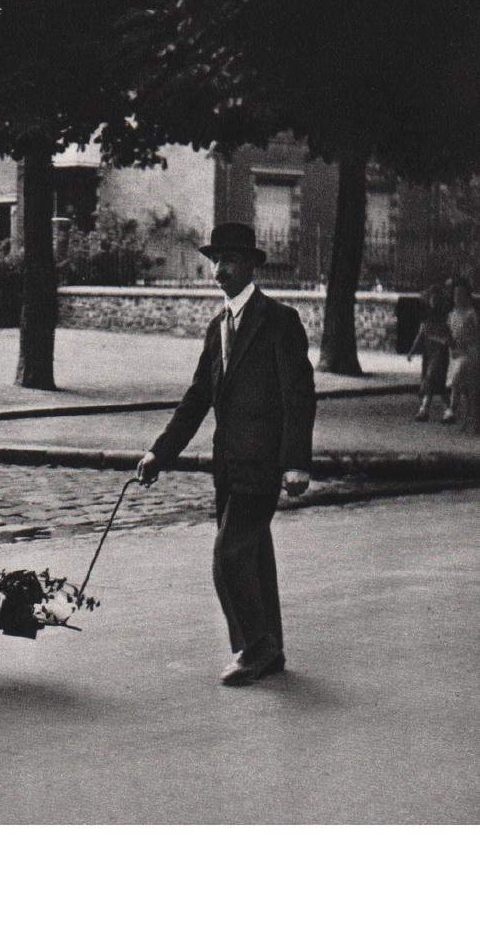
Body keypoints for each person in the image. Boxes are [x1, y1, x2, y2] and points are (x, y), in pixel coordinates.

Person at [137, 222, 316, 686]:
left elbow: (299, 395)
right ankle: (270, 648)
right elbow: (198, 397)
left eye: (230, 260)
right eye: (215, 260)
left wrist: (296, 462)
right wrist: (161, 453)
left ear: (251, 265)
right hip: (228, 465)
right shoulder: (217, 327)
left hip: (263, 464)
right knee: (252, 553)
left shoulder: (280, 321)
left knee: (229, 554)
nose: (220, 270)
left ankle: (253, 648)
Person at [407, 284, 451, 422]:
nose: (434, 302)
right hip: (429, 353)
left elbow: (449, 337)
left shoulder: (446, 319)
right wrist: (412, 351)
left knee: (432, 378)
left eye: (437, 299)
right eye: (432, 299)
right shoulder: (426, 318)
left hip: (440, 353)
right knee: (431, 380)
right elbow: (420, 336)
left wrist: (440, 340)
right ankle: (442, 409)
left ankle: (428, 408)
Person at [446, 276, 480, 433]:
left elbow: (477, 334)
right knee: (466, 390)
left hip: (470, 352)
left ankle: (454, 410)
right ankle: (468, 420)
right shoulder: (452, 314)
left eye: (461, 294)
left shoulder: (471, 314)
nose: (457, 297)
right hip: (457, 353)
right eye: (455, 294)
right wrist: (452, 348)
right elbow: (450, 335)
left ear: (467, 295)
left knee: (466, 384)